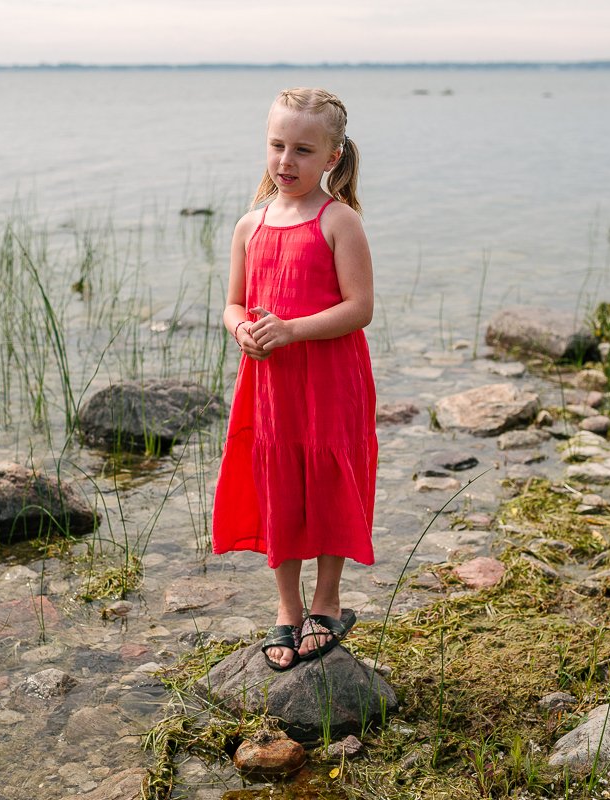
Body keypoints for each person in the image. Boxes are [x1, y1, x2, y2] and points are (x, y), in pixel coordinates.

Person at [212, 88, 377, 671]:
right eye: (277, 145)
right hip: (271, 383)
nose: (286, 161)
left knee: (330, 479)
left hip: (330, 376)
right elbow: (233, 305)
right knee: (277, 483)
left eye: (303, 150)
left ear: (332, 158)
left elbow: (359, 308)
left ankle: (327, 602)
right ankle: (287, 609)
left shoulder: (339, 221)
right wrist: (243, 333)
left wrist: (293, 330)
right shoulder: (249, 225)